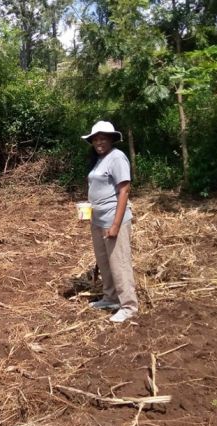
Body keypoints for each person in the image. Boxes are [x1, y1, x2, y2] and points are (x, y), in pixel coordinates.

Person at [82, 121, 138, 323]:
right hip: (97, 220)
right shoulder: (99, 159)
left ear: (111, 139)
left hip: (114, 219)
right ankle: (111, 298)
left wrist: (115, 225)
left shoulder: (117, 158)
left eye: (103, 138)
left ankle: (129, 305)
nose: (99, 141)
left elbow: (124, 190)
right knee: (104, 261)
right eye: (96, 138)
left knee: (119, 262)